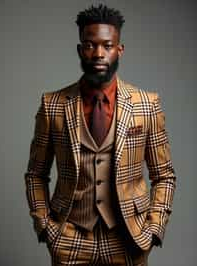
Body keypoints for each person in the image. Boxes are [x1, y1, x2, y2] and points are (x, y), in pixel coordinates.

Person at [24, 4, 176, 266]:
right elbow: (36, 174)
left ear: (120, 50)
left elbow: (164, 176)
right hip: (70, 236)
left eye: (107, 45)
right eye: (90, 45)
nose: (98, 53)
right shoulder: (53, 105)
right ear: (80, 50)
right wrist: (46, 227)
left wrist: (153, 229)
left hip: (128, 238)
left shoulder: (146, 104)